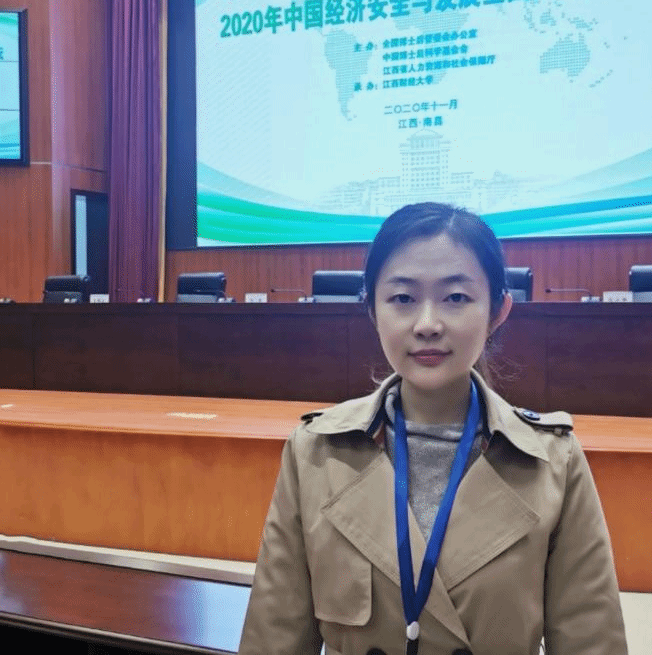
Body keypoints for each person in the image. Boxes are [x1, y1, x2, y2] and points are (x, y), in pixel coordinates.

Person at [239, 202, 628, 655]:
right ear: (372, 309)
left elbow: (590, 641)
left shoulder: (553, 463)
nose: (427, 325)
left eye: (456, 298)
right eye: (403, 299)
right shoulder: (315, 453)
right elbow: (274, 638)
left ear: (498, 310)